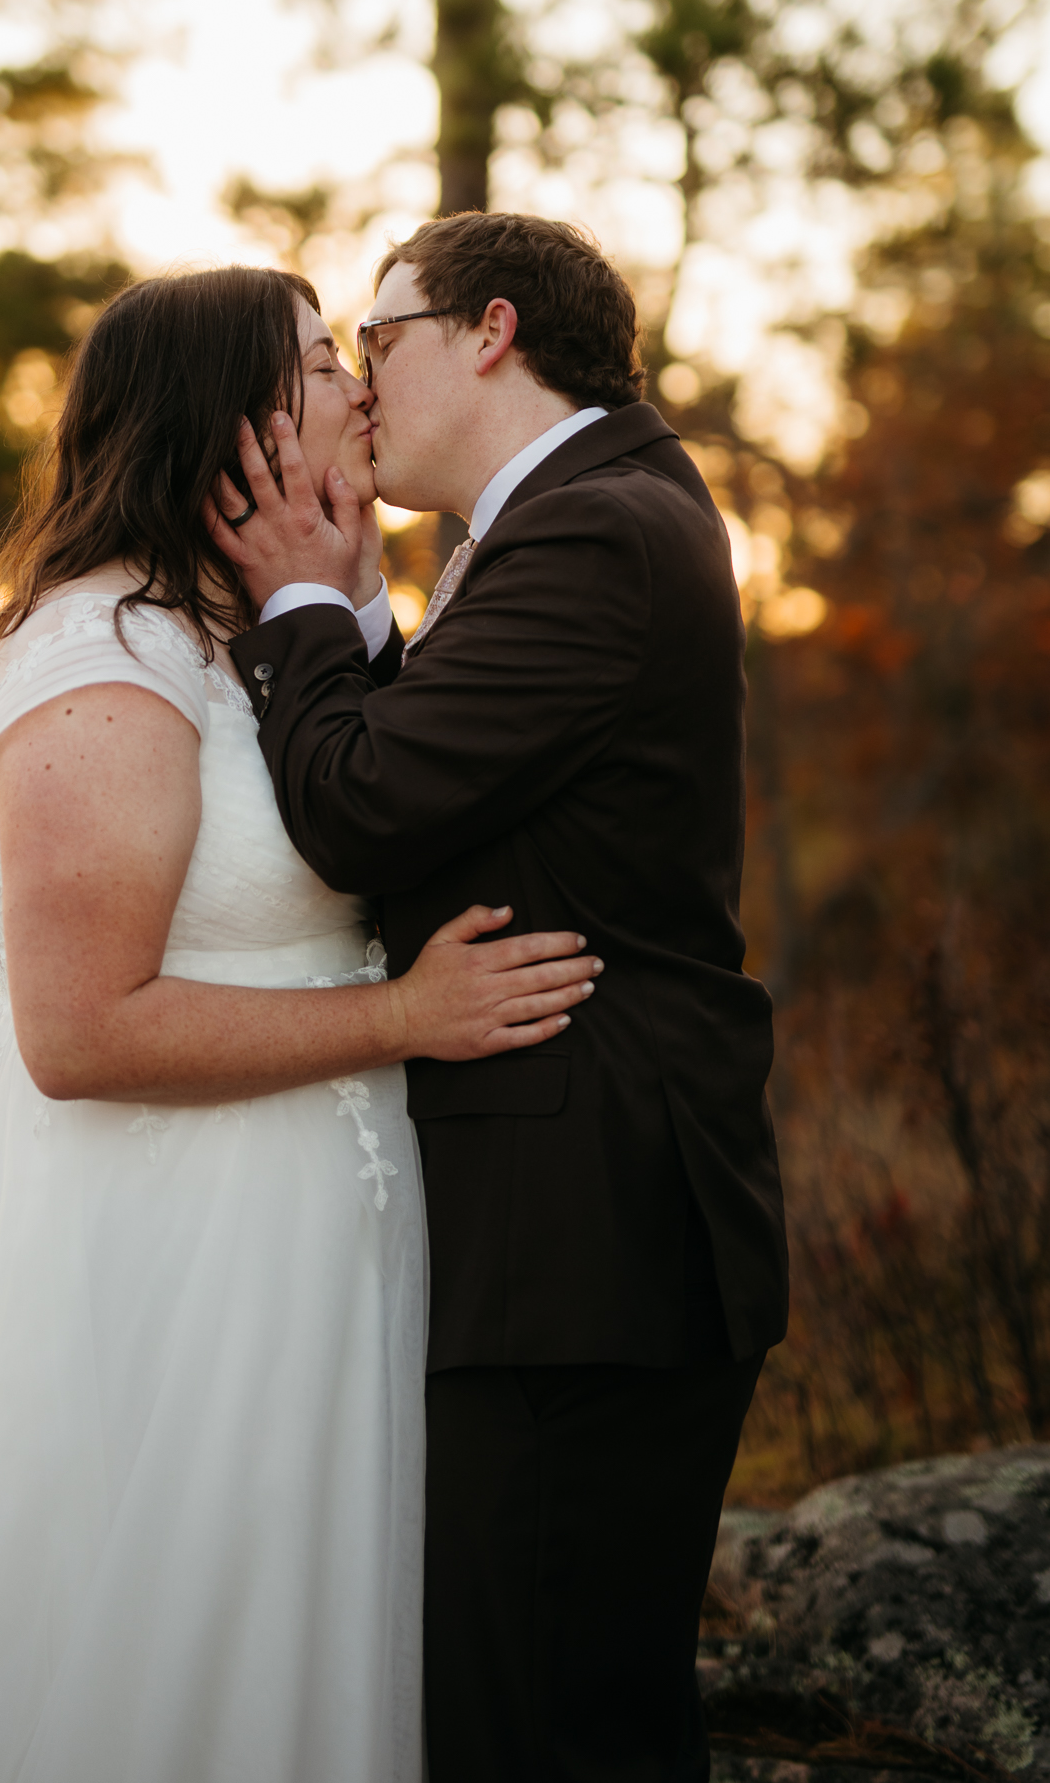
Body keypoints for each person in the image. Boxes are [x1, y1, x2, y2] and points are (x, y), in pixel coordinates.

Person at [0, 265, 599, 1783]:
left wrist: (348, 603)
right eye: (323, 364)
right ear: (234, 423)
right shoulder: (100, 659)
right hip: (167, 1253)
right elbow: (80, 1032)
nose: (359, 388)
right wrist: (402, 1015)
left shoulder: (271, 631)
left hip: (329, 1240)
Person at [211, 212, 791, 1783]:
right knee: (549, 1705)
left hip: (583, 1224)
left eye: (372, 337)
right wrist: (367, 617)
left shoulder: (596, 527)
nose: (356, 380)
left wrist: (301, 610)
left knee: (539, 1724)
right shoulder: (570, 519)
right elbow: (456, 782)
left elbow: (363, 806)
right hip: (573, 1218)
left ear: (488, 328)